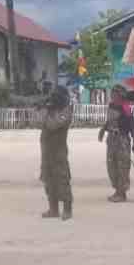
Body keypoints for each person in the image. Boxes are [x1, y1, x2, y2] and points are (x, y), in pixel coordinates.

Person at [99, 86, 134, 203]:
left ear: (120, 96)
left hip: (122, 140)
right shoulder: (111, 106)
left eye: (114, 94)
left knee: (122, 166)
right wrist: (103, 130)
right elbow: (109, 121)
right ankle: (117, 190)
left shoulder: (125, 108)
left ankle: (122, 193)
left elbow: (133, 126)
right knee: (111, 166)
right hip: (111, 139)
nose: (112, 96)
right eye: (112, 94)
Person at [39, 85, 74, 220]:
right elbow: (38, 123)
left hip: (58, 152)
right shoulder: (51, 110)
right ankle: (53, 209)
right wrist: (44, 109)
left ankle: (67, 210)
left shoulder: (66, 112)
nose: (53, 98)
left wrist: (46, 112)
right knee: (48, 180)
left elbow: (53, 125)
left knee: (62, 179)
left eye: (55, 96)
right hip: (47, 152)